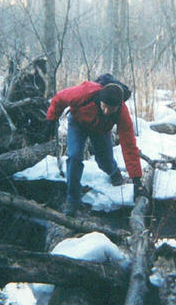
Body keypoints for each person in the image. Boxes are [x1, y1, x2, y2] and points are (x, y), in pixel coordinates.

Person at [45, 79, 147, 216]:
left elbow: (129, 145)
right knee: (74, 157)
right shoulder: (84, 93)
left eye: (111, 109)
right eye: (104, 106)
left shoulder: (122, 113)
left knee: (105, 162)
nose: (106, 111)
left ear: (119, 106)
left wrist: (137, 180)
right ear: (100, 100)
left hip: (101, 130)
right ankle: (73, 200)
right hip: (77, 123)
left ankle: (114, 173)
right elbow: (59, 98)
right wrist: (51, 119)